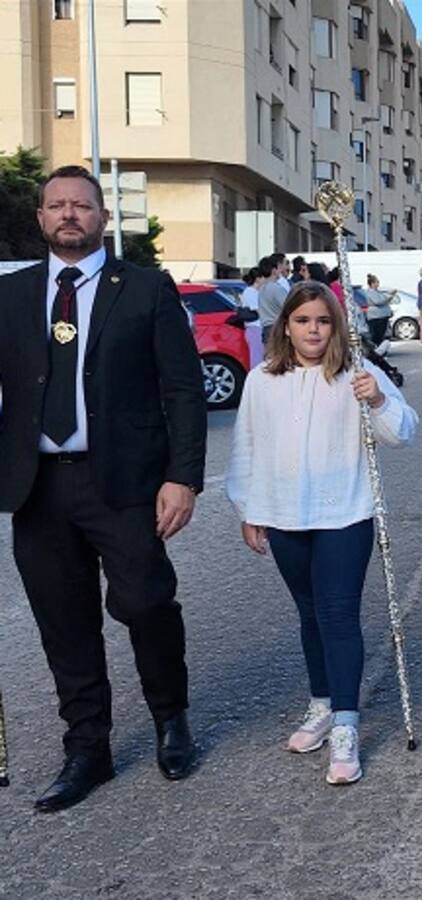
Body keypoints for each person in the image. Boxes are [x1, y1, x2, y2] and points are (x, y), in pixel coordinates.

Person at [0, 165, 207, 812]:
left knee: (146, 603)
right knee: (64, 624)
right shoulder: (11, 294)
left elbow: (183, 389)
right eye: (57, 205)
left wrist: (182, 477)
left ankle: (170, 718)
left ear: (103, 217)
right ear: (40, 217)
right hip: (38, 487)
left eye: (82, 205)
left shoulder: (144, 289)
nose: (69, 214)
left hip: (124, 483)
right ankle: (87, 748)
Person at [226, 282, 417, 785]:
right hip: (284, 515)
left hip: (343, 516)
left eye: (323, 321)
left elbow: (402, 432)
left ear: (336, 326)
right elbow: (247, 445)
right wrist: (248, 508)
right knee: (309, 613)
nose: (313, 330)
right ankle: (323, 703)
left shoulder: (357, 372)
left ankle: (347, 724)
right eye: (303, 320)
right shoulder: (262, 379)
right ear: (286, 326)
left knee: (337, 614)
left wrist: (377, 399)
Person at [257, 255, 288, 345]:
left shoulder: (261, 289)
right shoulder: (276, 288)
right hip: (277, 328)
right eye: (278, 268)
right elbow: (288, 306)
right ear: (274, 270)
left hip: (266, 329)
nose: (280, 271)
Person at [364, 273, 393, 346]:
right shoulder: (371, 292)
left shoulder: (378, 291)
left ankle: (378, 346)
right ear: (372, 283)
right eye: (376, 282)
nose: (378, 284)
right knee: (377, 335)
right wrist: (388, 297)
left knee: (381, 334)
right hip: (376, 316)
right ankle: (376, 347)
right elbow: (378, 301)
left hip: (381, 316)